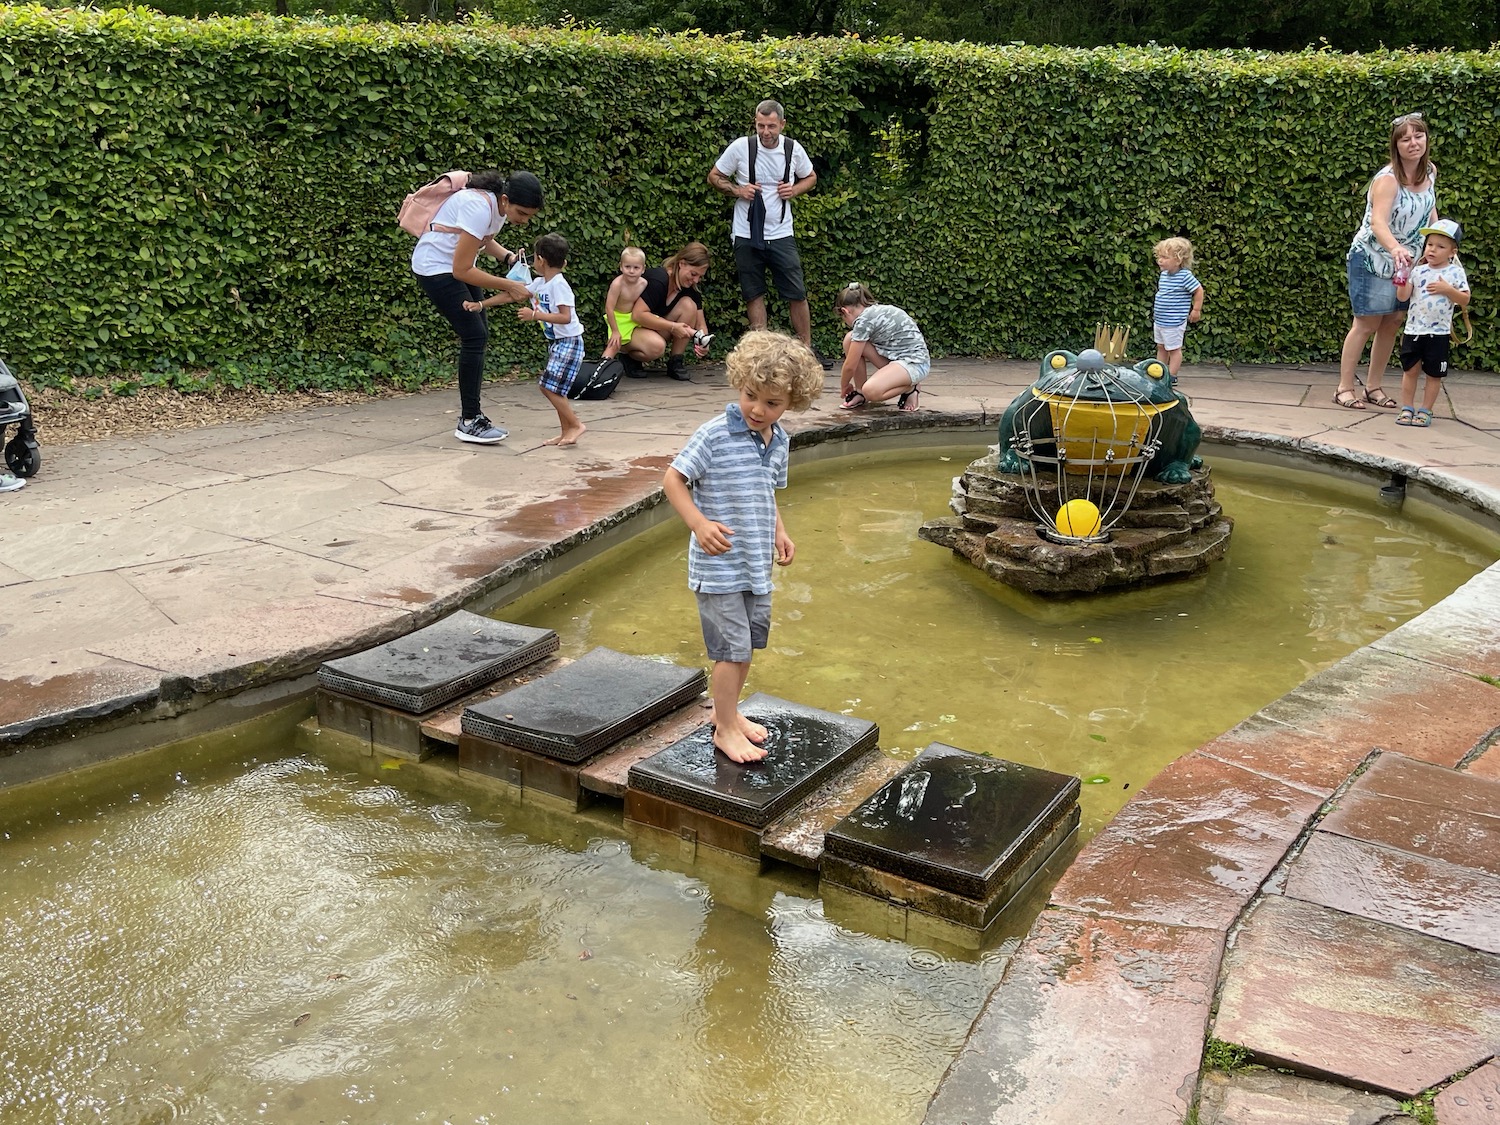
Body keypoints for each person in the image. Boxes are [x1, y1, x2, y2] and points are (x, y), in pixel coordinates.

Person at [663, 331, 823, 763]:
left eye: (772, 403)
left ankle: (727, 716)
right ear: (739, 383)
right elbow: (673, 479)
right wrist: (698, 524)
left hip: (755, 565)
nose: (758, 409)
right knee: (730, 652)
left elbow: (765, 492)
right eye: (751, 395)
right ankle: (725, 729)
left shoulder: (779, 440)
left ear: (791, 402)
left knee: (746, 647)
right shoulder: (714, 435)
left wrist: (780, 532)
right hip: (719, 568)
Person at [411, 169, 544, 444]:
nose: (524, 221)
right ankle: (469, 420)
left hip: (452, 267)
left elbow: (483, 238)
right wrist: (509, 285)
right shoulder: (478, 206)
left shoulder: (497, 206)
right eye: (522, 214)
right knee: (474, 335)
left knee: (479, 332)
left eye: (530, 216)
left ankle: (473, 417)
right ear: (506, 200)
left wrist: (507, 257)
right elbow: (462, 270)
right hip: (435, 268)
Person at [707, 100, 830, 367]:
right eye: (761, 125)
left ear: (782, 125)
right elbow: (715, 176)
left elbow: (810, 177)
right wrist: (738, 191)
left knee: (796, 292)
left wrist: (795, 190)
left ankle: (805, 350)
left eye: (771, 126)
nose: (765, 131)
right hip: (746, 230)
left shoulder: (792, 148)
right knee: (754, 292)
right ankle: (760, 353)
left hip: (782, 232)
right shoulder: (741, 147)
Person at [1336, 112, 1438, 410]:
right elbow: (1378, 223)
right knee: (1366, 323)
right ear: (1396, 145)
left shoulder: (1429, 171)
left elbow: (1429, 210)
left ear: (1426, 139)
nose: (1413, 143)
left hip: (1409, 261)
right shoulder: (1387, 180)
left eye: (1418, 136)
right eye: (1405, 139)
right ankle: (1344, 387)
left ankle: (1373, 387)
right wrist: (1394, 249)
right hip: (1373, 257)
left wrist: (1440, 242)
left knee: (1392, 322)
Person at [466, 232, 587, 446]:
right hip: (558, 343)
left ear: (540, 260)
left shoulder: (559, 285)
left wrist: (535, 315)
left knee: (548, 387)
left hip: (570, 341)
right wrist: (481, 305)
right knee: (556, 389)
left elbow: (565, 317)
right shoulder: (541, 283)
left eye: (533, 258)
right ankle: (566, 431)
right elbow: (513, 294)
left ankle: (576, 425)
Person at [1394, 219, 1470, 428]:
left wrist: (1448, 290)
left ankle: (1426, 410)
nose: (1433, 250)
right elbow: (1403, 298)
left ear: (1452, 252)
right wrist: (1402, 278)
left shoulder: (1455, 273)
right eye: (1430, 244)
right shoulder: (1418, 271)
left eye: (1440, 246)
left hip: (1438, 334)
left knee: (1434, 374)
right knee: (1410, 371)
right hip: (1414, 331)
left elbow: (1464, 299)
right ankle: (1407, 407)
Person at [620, 242, 713, 381]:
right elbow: (638, 315)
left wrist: (704, 343)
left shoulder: (691, 289)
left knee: (689, 306)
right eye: (693, 274)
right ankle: (627, 355)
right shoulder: (659, 280)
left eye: (700, 276)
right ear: (682, 264)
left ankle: (676, 360)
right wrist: (673, 327)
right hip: (627, 327)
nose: (696, 280)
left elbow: (701, 324)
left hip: (648, 328)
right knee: (657, 347)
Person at [833, 282, 931, 412]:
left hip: (915, 364)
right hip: (898, 360)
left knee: (872, 391)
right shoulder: (873, 311)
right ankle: (860, 392)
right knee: (850, 339)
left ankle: (910, 388)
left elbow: (850, 366)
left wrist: (844, 386)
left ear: (845, 311)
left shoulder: (863, 321)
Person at [1152, 237, 1204, 383]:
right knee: (1161, 347)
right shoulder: (1164, 275)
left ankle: (1171, 377)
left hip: (1174, 322)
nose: (1160, 260)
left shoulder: (1185, 276)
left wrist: (1196, 310)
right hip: (1161, 320)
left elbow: (1199, 290)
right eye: (1159, 257)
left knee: (1174, 350)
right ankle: (1160, 374)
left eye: (1164, 257)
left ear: (1178, 260)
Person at [602, 247, 649, 360]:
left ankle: (630, 358)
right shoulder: (617, 284)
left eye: (636, 267)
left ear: (643, 269)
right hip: (618, 318)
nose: (631, 271)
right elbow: (609, 308)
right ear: (621, 267)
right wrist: (615, 331)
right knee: (614, 343)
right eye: (627, 266)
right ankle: (601, 369)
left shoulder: (644, 283)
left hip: (634, 316)